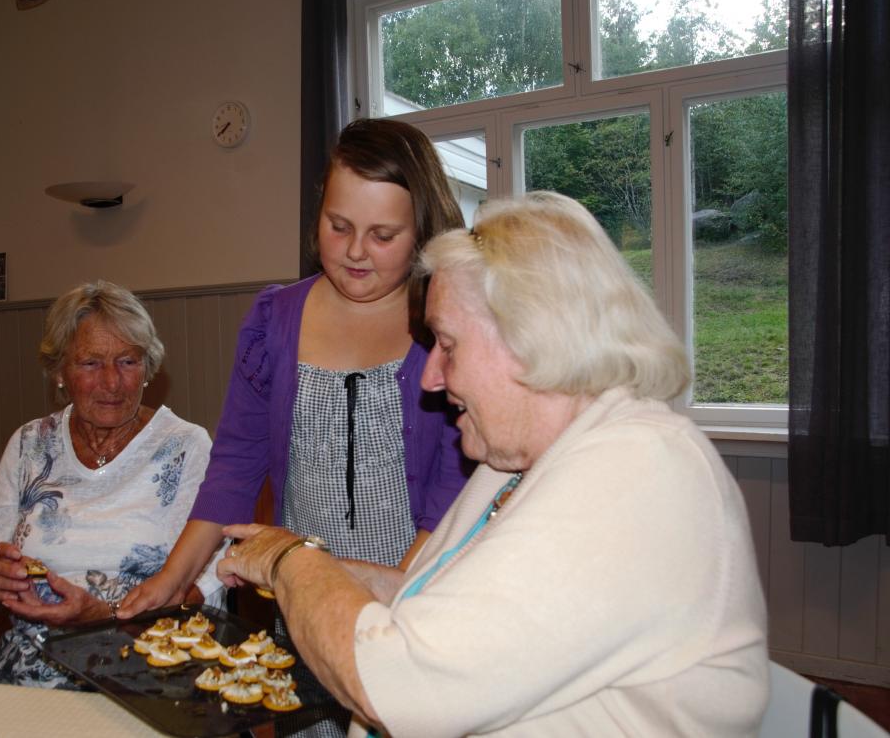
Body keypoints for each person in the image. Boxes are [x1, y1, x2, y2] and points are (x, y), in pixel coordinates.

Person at [216, 192, 770, 737]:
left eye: (448, 345)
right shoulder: (515, 466)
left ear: (532, 338)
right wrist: (321, 566)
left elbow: (402, 686)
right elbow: (440, 606)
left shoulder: (641, 470)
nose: (432, 378)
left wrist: (292, 561)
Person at [118, 118, 470, 616]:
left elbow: (453, 487)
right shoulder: (274, 321)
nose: (354, 251)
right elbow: (235, 467)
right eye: (339, 225)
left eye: (383, 235)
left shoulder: (446, 328)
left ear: (422, 232)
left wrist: (397, 592)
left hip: (416, 594)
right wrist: (174, 577)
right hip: (299, 601)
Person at [0, 280, 224, 688]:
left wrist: (107, 614)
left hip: (148, 661)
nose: (112, 382)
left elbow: (209, 582)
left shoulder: (185, 447)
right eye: (90, 364)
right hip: (31, 660)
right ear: (60, 371)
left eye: (127, 361)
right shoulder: (30, 444)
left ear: (148, 368)